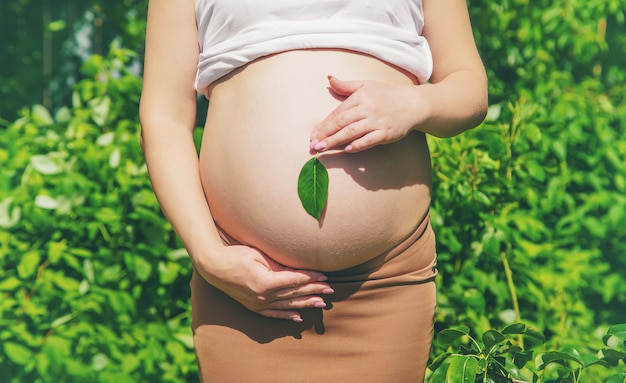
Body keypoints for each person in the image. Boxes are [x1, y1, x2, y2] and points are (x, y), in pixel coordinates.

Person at [139, 0, 487, 382]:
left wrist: (414, 103)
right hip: (246, 289)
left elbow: (469, 88)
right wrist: (209, 257)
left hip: (384, 283)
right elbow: (163, 116)